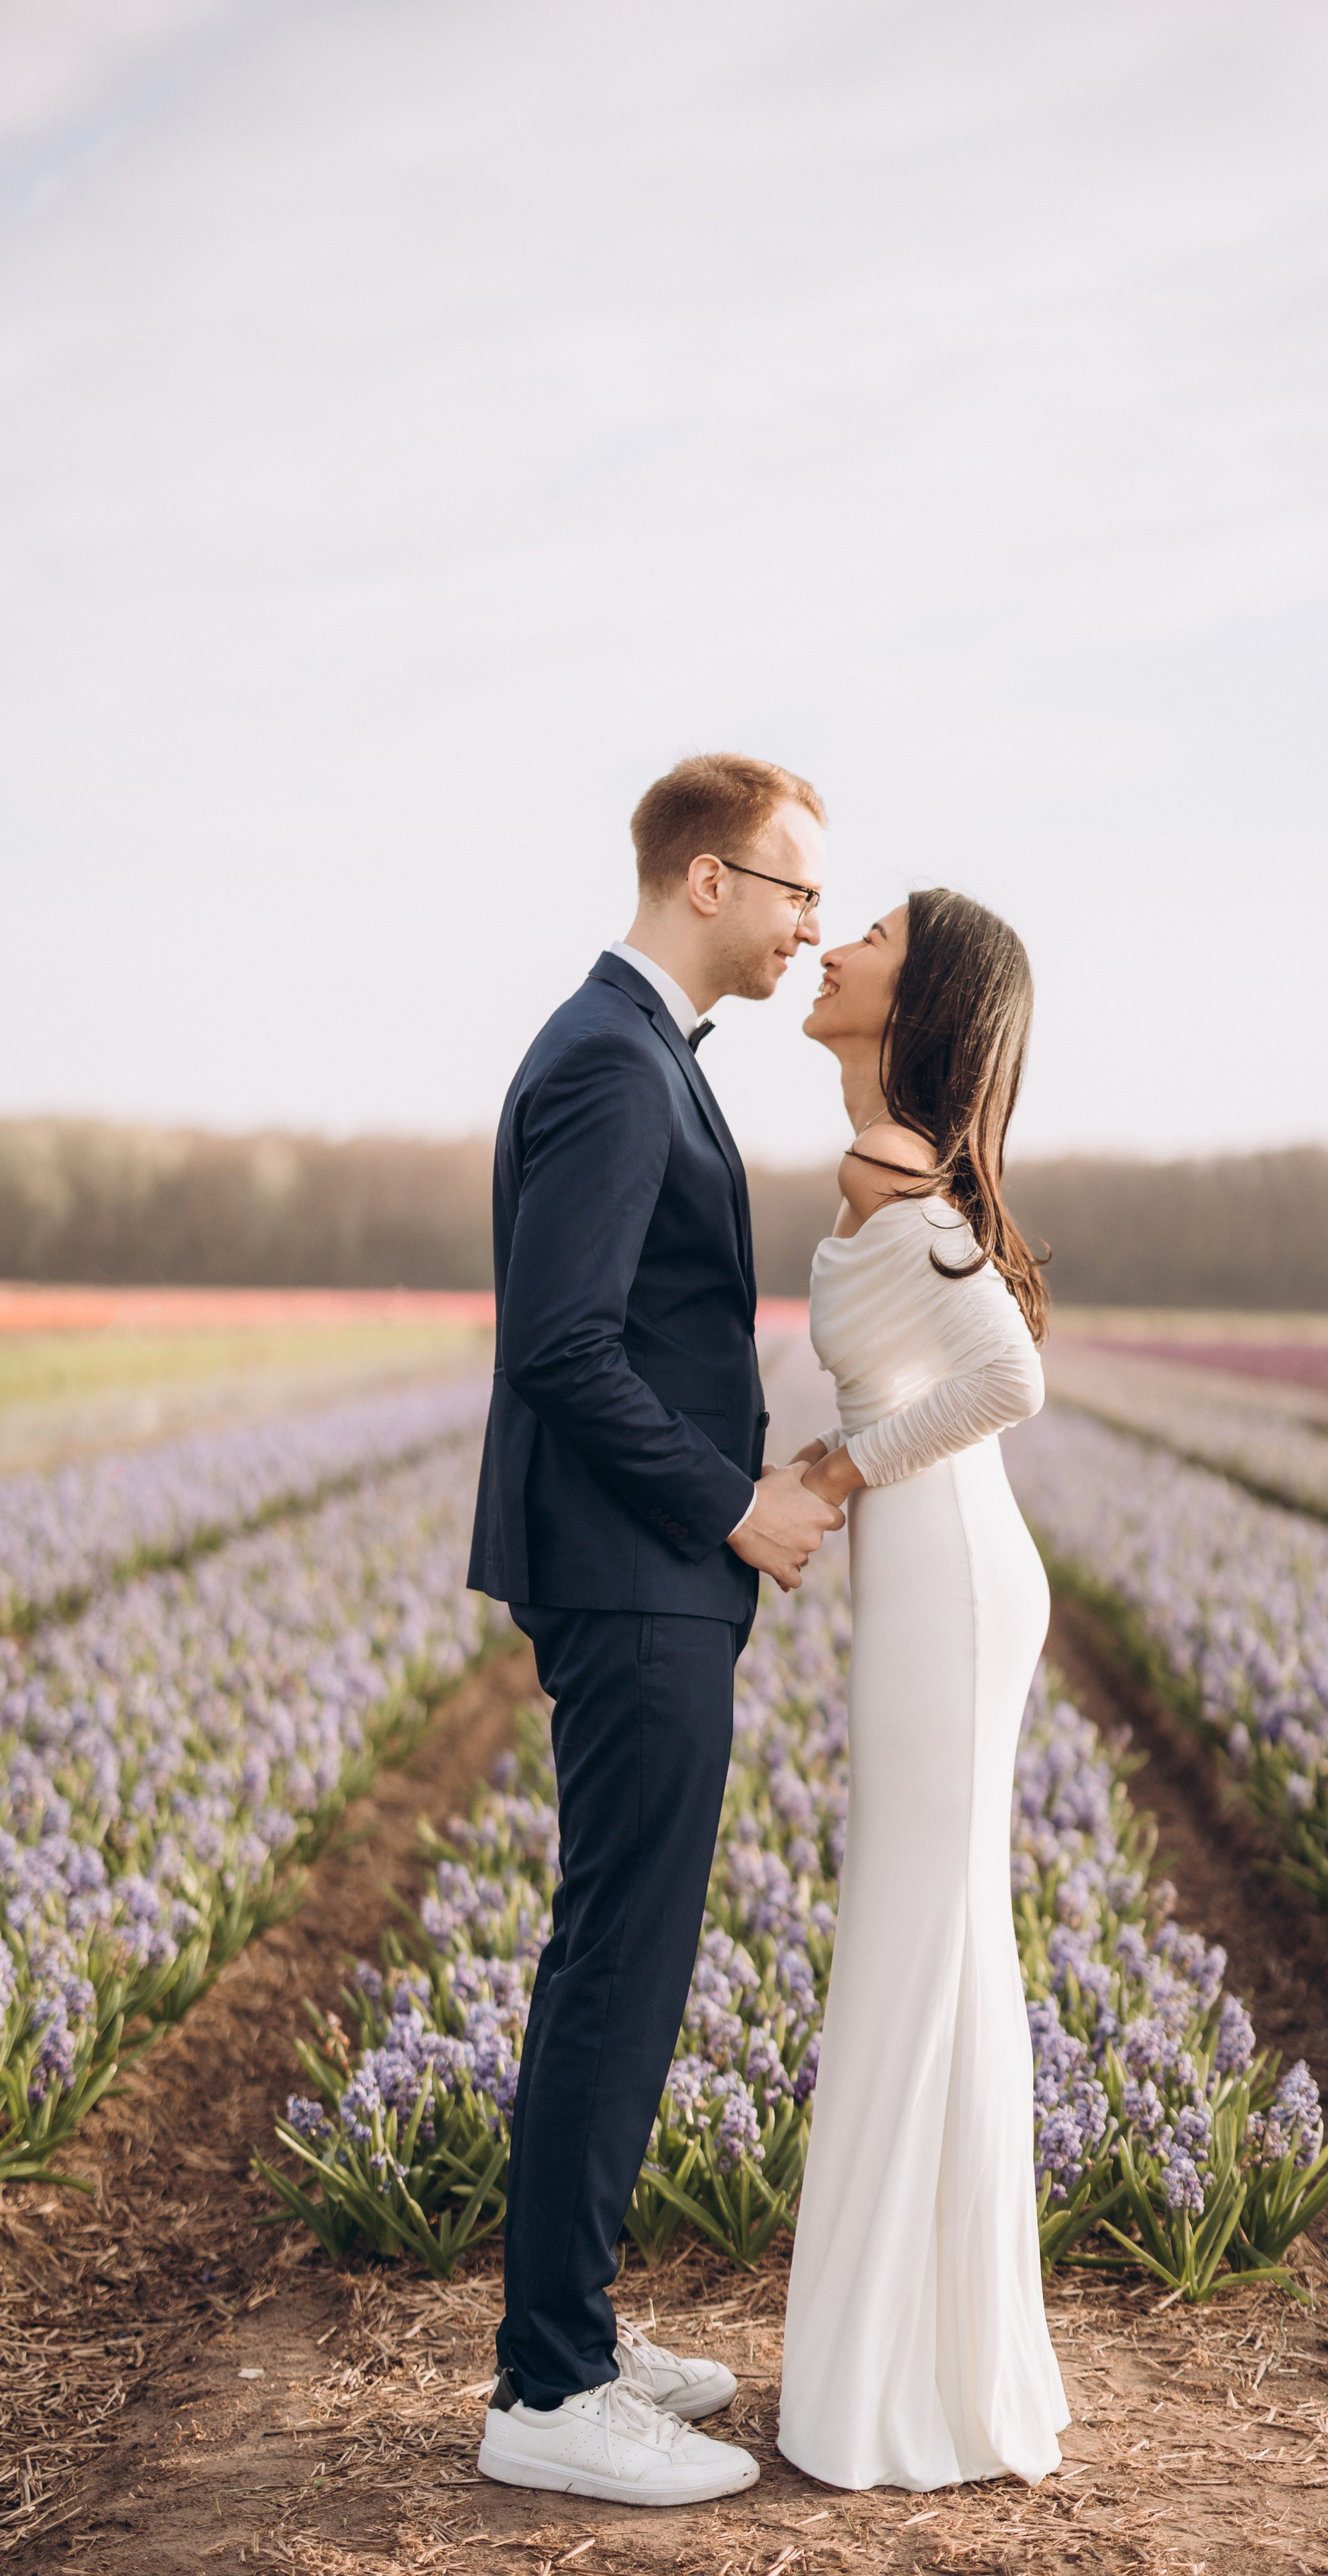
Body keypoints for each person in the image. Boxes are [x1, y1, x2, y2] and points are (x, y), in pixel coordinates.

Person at [469, 753, 844, 2507]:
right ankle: (549, 2391)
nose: (808, 927)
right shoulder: (614, 1061)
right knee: (616, 1966)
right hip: (633, 1570)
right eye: (793, 890)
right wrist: (731, 1505)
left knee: (620, 1956)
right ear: (708, 879)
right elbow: (559, 1344)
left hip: (643, 1572)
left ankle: (577, 2337)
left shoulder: (633, 1048)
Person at [776, 888, 1068, 2490]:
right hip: (932, 1574)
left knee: (918, 1929)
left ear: (922, 996)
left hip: (948, 1579)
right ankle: (932, 2363)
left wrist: (838, 1468)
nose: (833, 946)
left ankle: (905, 2377)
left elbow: (1007, 1377)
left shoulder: (890, 1166)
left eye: (872, 937)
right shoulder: (886, 1159)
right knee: (932, 1932)